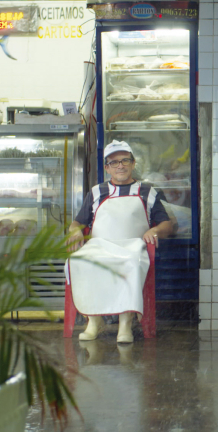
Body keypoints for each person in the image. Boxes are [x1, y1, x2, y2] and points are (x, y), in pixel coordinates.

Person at [66, 140, 173, 343]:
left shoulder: (148, 192)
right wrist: (75, 232)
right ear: (107, 168)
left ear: (133, 164)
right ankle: (94, 322)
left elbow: (166, 225)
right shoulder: (97, 192)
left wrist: (156, 230)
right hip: (99, 246)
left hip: (132, 247)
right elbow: (77, 223)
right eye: (114, 162)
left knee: (130, 263)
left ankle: (125, 324)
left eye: (125, 160)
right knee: (82, 261)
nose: (120, 166)